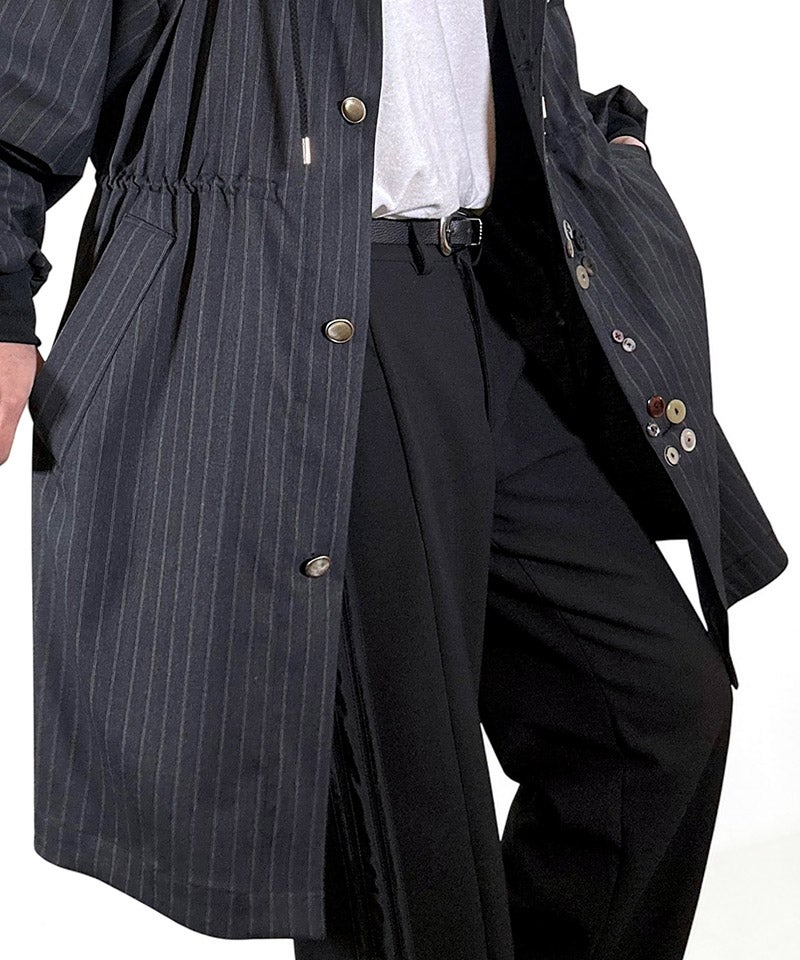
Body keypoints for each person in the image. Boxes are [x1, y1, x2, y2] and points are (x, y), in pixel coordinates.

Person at [0, 2, 788, 959]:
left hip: (492, 290)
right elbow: (18, 82)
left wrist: (604, 147)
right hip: (299, 307)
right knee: (410, 834)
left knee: (656, 710)